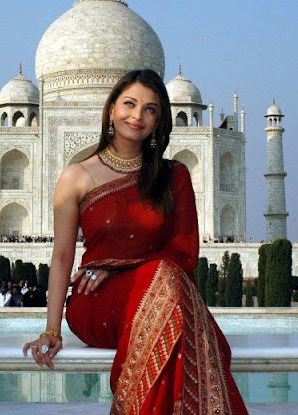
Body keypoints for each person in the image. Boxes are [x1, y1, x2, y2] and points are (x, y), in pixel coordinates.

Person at [23, 70, 247, 414]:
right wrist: (51, 328)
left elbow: (184, 254)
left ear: (159, 121)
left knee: (163, 277)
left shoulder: (175, 176)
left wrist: (118, 265)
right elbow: (63, 255)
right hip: (96, 302)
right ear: (111, 109)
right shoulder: (77, 176)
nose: (137, 116)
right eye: (129, 104)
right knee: (165, 285)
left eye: (150, 109)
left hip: (161, 292)